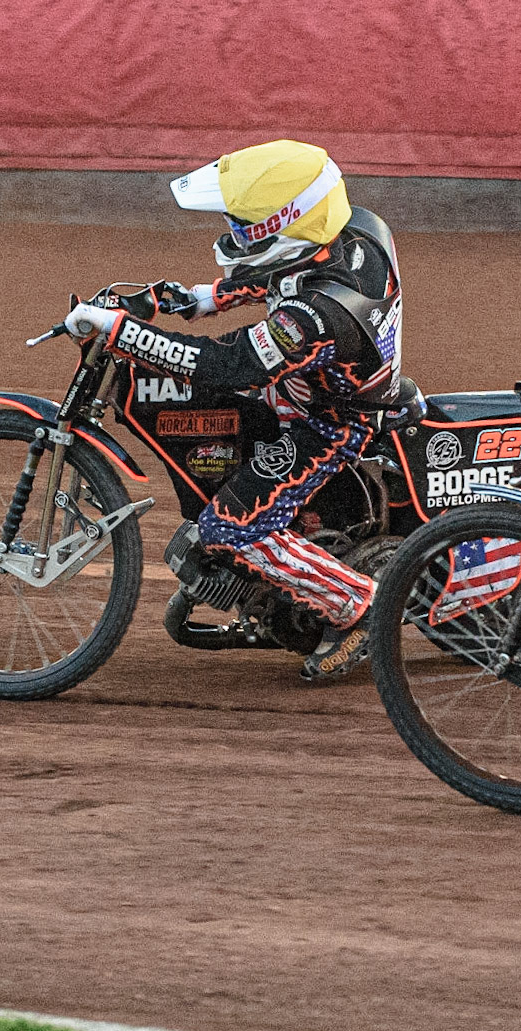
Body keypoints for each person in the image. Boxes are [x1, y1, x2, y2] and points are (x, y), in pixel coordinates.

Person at [64, 140, 407, 678]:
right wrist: (175, 299)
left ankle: (357, 606)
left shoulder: (319, 315)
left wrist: (124, 332)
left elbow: (228, 364)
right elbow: (274, 276)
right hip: (304, 387)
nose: (232, 233)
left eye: (246, 225)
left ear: (288, 224)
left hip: (330, 425)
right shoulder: (349, 230)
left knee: (229, 528)